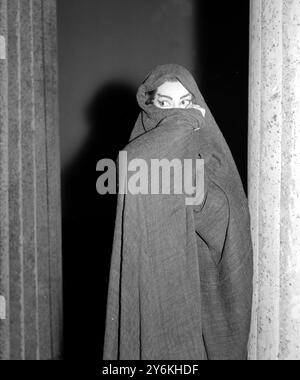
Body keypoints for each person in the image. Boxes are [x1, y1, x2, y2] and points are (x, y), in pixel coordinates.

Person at [103, 64, 253, 360]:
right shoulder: (138, 153)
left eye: (185, 104)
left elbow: (224, 224)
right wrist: (184, 123)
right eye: (165, 104)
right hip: (158, 297)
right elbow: (139, 164)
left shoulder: (211, 157)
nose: (177, 114)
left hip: (204, 302)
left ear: (199, 107)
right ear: (149, 108)